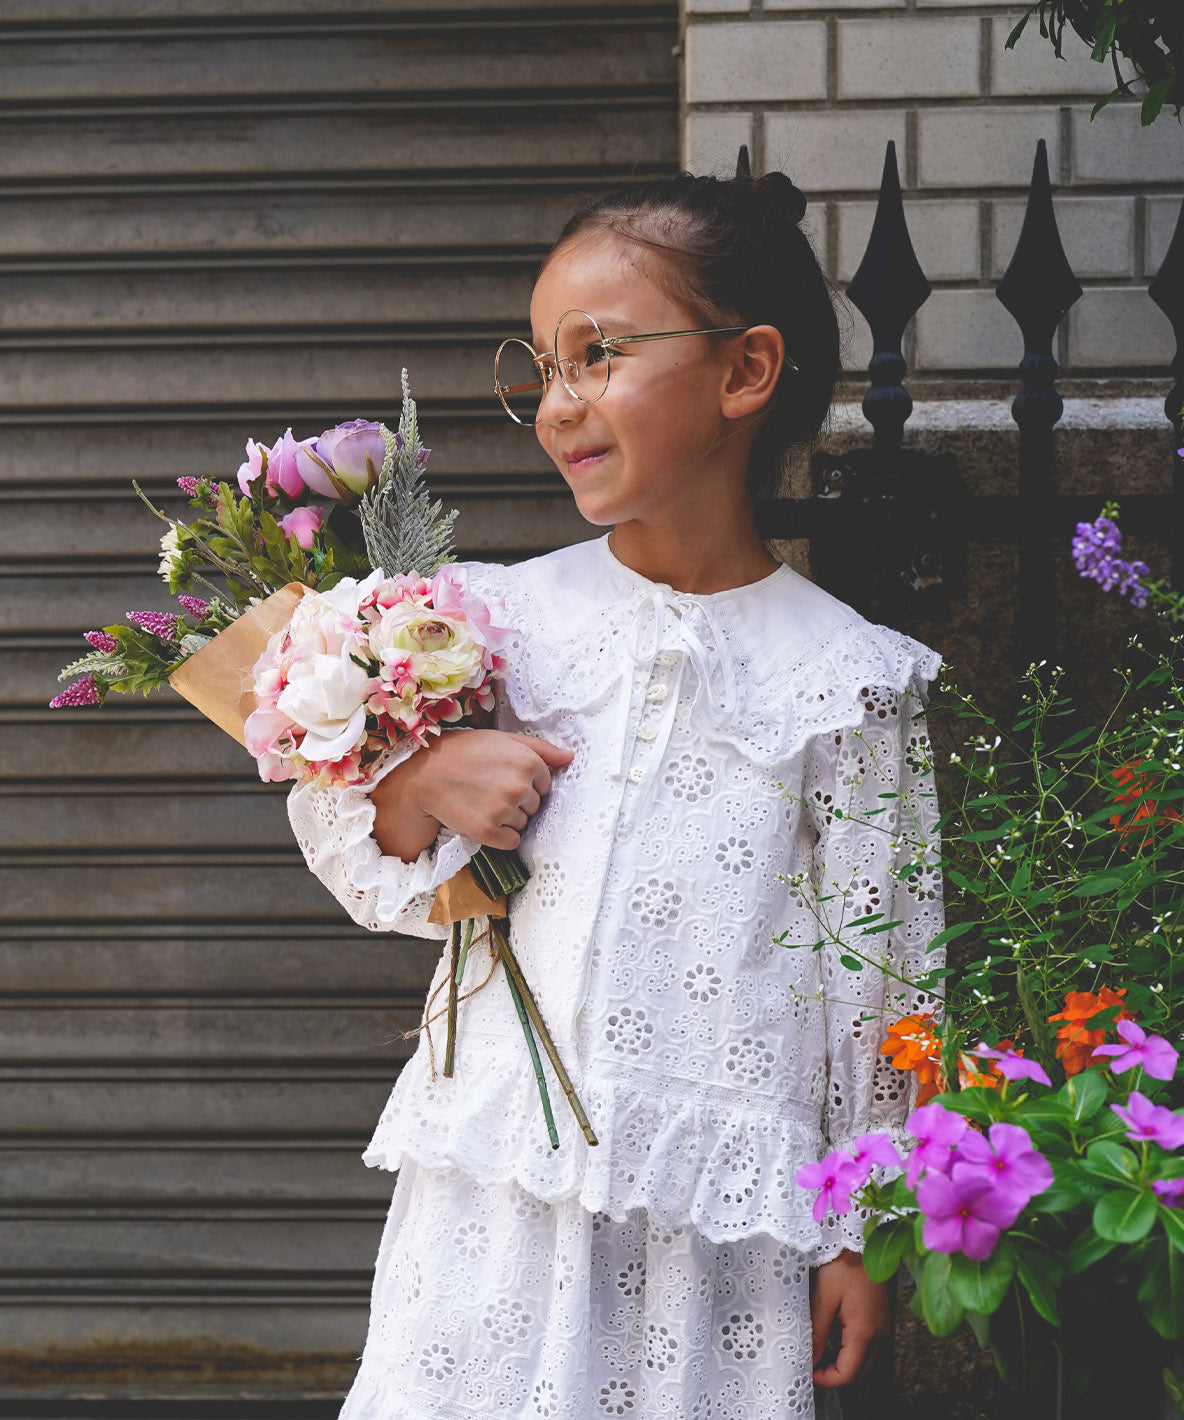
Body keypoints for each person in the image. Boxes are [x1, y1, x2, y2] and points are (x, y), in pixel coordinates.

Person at [287, 168, 944, 1420]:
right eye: (540, 367)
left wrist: (866, 1225)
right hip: (489, 1188)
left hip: (712, 1221)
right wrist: (420, 774)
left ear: (745, 373)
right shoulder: (489, 625)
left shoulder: (849, 681)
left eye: (595, 356)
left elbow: (893, 978)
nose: (556, 404)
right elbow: (357, 843)